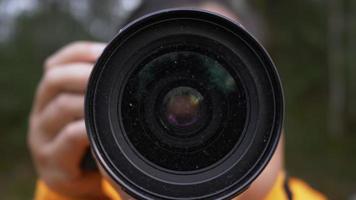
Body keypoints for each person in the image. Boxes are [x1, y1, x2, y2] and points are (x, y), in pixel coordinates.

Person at [27, 1, 327, 199]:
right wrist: (71, 193)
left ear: (270, 95)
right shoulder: (87, 191)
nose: (184, 107)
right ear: (102, 95)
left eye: (228, 78)